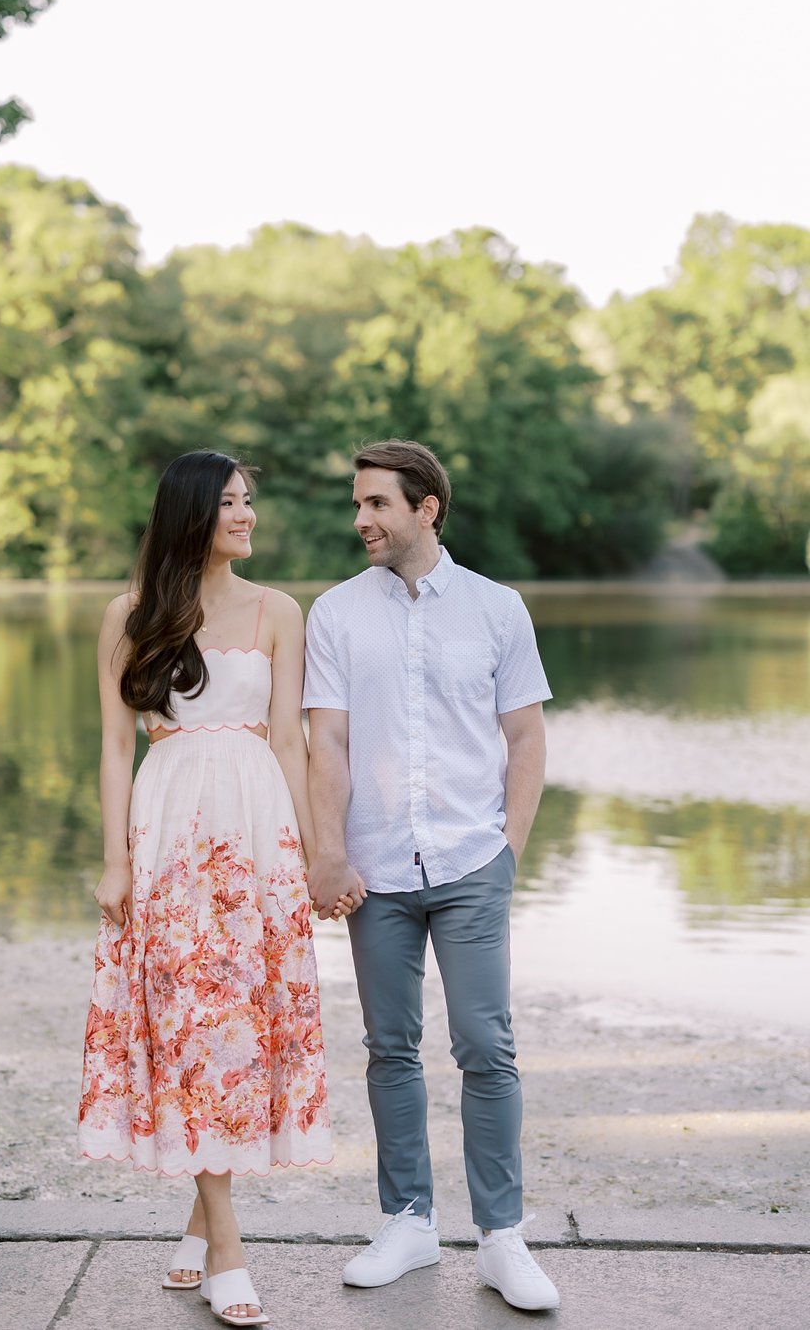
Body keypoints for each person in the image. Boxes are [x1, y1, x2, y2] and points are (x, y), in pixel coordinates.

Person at [78, 449, 346, 1328]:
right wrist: (116, 858)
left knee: (244, 1027)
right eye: (231, 502)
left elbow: (288, 742)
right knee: (193, 1028)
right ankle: (227, 1245)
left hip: (254, 837)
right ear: (192, 513)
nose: (248, 515)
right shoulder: (131, 615)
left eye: (250, 501)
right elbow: (119, 747)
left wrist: (314, 854)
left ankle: (201, 1225)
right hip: (168, 832)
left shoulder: (278, 611)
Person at [302, 439, 561, 1314]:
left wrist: (508, 850)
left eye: (376, 504)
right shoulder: (334, 614)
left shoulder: (497, 608)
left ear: (427, 508)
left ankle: (501, 1238)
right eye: (358, 504)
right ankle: (408, 1222)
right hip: (373, 867)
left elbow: (525, 738)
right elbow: (325, 741)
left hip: (469, 859)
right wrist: (326, 851)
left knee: (487, 1048)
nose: (361, 520)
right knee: (389, 1047)